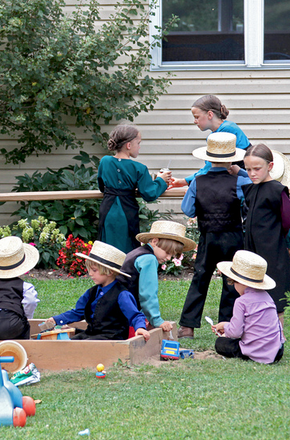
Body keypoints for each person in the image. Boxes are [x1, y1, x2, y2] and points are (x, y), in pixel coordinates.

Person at [177, 133, 248, 338]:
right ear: (232, 159)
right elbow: (248, 199)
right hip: (233, 237)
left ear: (207, 158)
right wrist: (240, 172)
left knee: (200, 278)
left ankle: (187, 326)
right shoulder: (239, 181)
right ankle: (226, 326)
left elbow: (188, 209)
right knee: (232, 282)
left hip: (208, 237)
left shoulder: (198, 182)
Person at [45, 241, 150, 341]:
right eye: (89, 269)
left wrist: (140, 328)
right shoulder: (92, 292)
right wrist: (57, 319)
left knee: (80, 346)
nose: (90, 273)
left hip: (112, 337)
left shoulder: (122, 294)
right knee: (68, 342)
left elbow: (135, 315)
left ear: (109, 272)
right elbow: (78, 312)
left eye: (94, 270)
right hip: (92, 334)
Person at [97, 124, 170, 254]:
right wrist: (161, 180)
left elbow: (102, 186)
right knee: (127, 245)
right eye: (138, 143)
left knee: (107, 245)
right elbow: (149, 193)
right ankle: (126, 271)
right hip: (127, 209)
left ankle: (107, 272)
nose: (140, 147)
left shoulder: (105, 161)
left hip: (107, 208)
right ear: (129, 145)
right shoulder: (139, 168)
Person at [242, 143, 290, 319]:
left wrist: (276, 237)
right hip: (253, 249)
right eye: (248, 169)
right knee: (254, 289)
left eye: (257, 168)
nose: (252, 173)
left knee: (274, 292)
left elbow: (287, 220)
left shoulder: (277, 191)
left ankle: (279, 334)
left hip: (272, 250)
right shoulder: (252, 189)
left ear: (270, 166)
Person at [121, 221, 195, 334]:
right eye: (167, 252)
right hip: (122, 314)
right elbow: (147, 294)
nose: (169, 258)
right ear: (155, 241)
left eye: (172, 255)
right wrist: (156, 320)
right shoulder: (149, 259)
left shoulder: (136, 253)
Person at [212, 251, 284, 364]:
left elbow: (236, 332)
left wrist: (225, 326)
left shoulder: (241, 302)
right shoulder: (268, 297)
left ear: (240, 282)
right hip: (277, 352)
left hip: (255, 351)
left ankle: (250, 354)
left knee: (220, 343)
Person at [169, 95, 251, 188]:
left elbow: (210, 168)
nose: (195, 121)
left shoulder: (226, 130)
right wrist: (184, 181)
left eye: (197, 117)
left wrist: (186, 182)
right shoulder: (226, 127)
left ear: (210, 115)